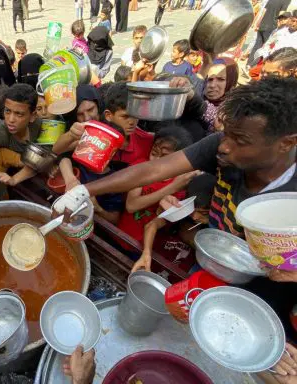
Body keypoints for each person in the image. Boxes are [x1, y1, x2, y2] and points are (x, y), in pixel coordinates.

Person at [54, 77, 297, 354]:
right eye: (227, 134)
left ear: (286, 143)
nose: (225, 146)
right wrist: (82, 191)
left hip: (266, 292)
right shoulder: (222, 148)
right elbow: (152, 171)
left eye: (240, 140)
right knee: (188, 341)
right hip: (210, 268)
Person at [117, 126, 195, 249]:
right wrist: (171, 188)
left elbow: (166, 217)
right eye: (154, 153)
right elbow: (131, 205)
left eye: (164, 157)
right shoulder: (141, 167)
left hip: (147, 244)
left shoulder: (181, 181)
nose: (156, 161)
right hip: (123, 234)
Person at [130, 173, 216, 271]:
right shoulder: (182, 208)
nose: (195, 217)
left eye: (203, 213)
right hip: (166, 260)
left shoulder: (220, 223)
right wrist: (146, 253)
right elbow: (151, 225)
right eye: (193, 210)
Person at [104, 82, 154, 166]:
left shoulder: (147, 142)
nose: (132, 122)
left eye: (136, 115)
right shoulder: (96, 140)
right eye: (125, 116)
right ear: (108, 115)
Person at [53, 84, 104, 154]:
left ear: (98, 105)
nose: (87, 118)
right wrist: (71, 135)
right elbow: (55, 150)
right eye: (80, 114)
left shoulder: (109, 120)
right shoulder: (75, 128)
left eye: (90, 110)